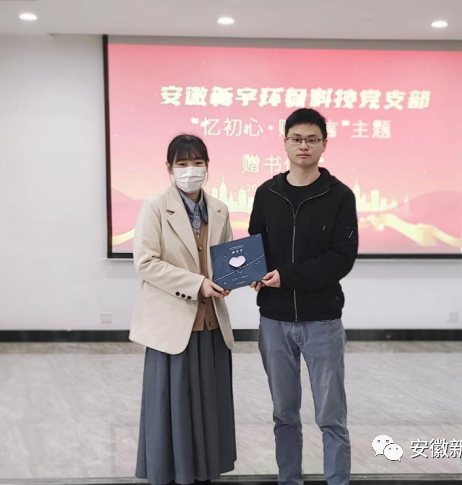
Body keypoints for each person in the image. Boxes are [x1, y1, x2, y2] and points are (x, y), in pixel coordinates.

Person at [248, 108, 359, 485]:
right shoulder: (267, 193)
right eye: (296, 139)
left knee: (331, 416)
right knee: (284, 414)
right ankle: (289, 479)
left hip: (322, 320)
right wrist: (252, 274)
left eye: (312, 139)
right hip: (274, 320)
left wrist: (287, 277)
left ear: (324, 144)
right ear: (285, 142)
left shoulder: (340, 195)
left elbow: (342, 258)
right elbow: (256, 246)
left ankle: (337, 480)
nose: (304, 146)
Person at [130, 134, 236, 485]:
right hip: (172, 328)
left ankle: (204, 472)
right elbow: (146, 263)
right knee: (171, 406)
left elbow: (225, 258)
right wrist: (197, 284)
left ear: (208, 167)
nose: (191, 170)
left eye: (197, 163)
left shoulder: (219, 209)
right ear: (169, 168)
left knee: (209, 405)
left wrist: (230, 279)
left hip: (212, 325)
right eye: (183, 163)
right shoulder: (154, 207)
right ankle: (169, 473)